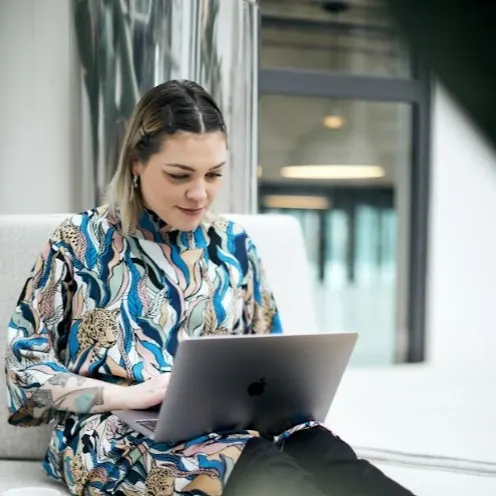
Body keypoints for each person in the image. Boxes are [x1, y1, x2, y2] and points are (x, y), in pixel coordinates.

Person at [5, 80, 414, 496]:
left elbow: (272, 358)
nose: (199, 194)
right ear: (136, 163)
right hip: (112, 436)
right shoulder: (79, 240)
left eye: (214, 174)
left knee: (330, 458)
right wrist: (123, 395)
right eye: (179, 175)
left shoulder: (234, 244)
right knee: (263, 468)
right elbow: (23, 369)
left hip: (229, 424)